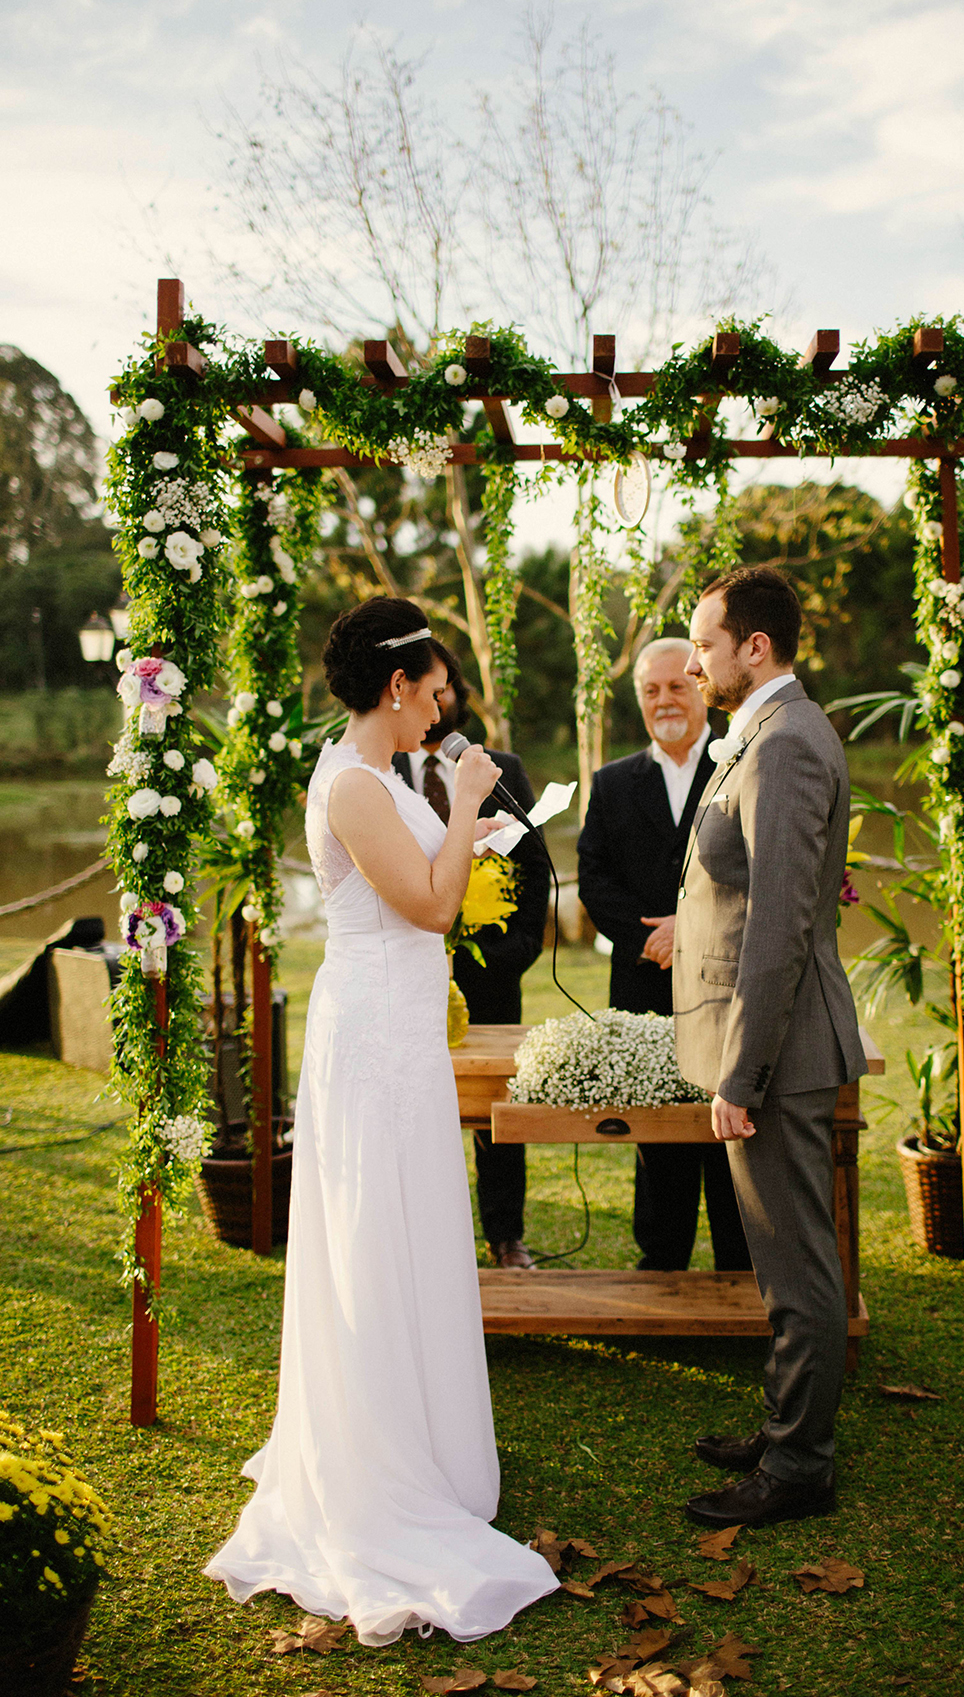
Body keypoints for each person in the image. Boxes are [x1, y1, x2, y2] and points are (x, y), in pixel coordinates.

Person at [205, 596, 558, 1643]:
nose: (441, 708)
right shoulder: (354, 784)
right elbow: (432, 907)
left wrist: (476, 824)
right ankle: (377, 1459)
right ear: (397, 688)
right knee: (373, 1240)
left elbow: (429, 880)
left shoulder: (387, 776)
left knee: (413, 1231)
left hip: (404, 1037)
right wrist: (463, 810)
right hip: (370, 1048)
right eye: (433, 690)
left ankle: (431, 1438)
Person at [672, 565, 867, 1530]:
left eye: (705, 644)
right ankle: (787, 1425)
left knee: (799, 1265)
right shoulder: (770, 730)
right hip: (769, 1044)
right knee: (784, 1256)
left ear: (756, 647)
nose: (696, 660)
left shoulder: (785, 742)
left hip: (778, 1052)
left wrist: (741, 1072)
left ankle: (800, 1467)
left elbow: (781, 926)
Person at [577, 637, 751, 1274]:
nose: (664, 700)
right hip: (643, 983)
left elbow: (758, 869)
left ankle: (739, 1263)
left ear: (701, 687)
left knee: (728, 1129)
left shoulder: (741, 765)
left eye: (676, 685)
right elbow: (594, 879)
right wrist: (650, 937)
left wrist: (692, 928)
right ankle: (663, 1259)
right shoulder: (613, 782)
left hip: (726, 984)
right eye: (650, 690)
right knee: (657, 1131)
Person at [393, 641, 549, 1270]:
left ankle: (506, 1237)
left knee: (497, 1114)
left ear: (456, 693)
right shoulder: (383, 775)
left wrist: (518, 950)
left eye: (448, 688)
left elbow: (534, 871)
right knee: (413, 1106)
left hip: (491, 973)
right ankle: (424, 1244)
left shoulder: (498, 767)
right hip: (406, 970)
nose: (440, 702)